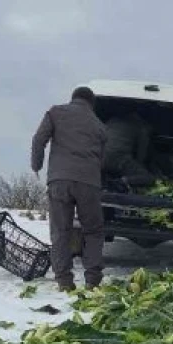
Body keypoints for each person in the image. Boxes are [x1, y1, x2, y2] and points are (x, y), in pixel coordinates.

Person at [31, 86, 108, 291]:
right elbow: (102, 160)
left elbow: (39, 139)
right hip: (89, 184)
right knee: (92, 231)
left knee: (60, 231)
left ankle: (64, 281)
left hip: (59, 181)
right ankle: (92, 280)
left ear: (73, 98)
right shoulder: (100, 126)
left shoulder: (56, 112)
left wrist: (36, 165)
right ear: (92, 104)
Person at [103, 112, 157, 188]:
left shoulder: (112, 120)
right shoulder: (141, 127)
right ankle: (121, 182)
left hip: (100, 157)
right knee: (148, 178)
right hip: (120, 159)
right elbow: (141, 154)